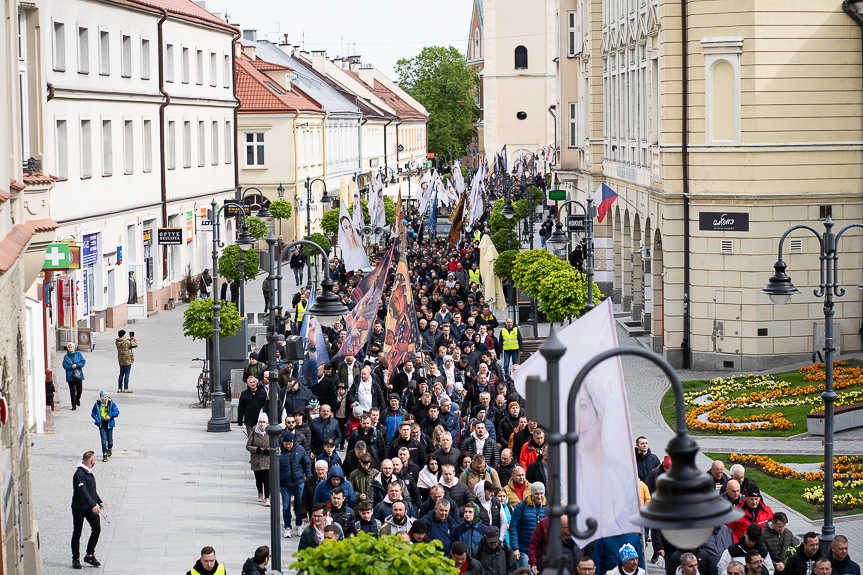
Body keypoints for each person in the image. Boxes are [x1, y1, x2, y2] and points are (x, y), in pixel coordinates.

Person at [71, 451, 104, 569]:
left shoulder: (88, 472)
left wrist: (99, 500)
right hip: (79, 507)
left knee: (96, 528)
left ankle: (89, 555)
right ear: (91, 461)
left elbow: (91, 490)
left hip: (90, 506)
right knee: (77, 532)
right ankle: (76, 559)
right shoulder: (79, 474)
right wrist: (93, 505)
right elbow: (83, 491)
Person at [279, 431, 310, 538]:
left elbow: (306, 464)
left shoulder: (300, 449)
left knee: (300, 504)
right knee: (286, 506)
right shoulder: (279, 451)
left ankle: (299, 524)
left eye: (290, 444)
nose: (288, 446)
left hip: (299, 481)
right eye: (286, 444)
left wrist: (309, 478)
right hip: (285, 483)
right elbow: (275, 467)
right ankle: (287, 526)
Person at [509, 483, 546, 569]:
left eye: (541, 493)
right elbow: (513, 527)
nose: (539, 496)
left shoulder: (549, 507)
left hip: (544, 551)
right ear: (532, 493)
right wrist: (515, 548)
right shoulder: (521, 506)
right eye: (537, 493)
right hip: (525, 550)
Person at [246, 412, 271, 506]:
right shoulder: (253, 433)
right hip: (256, 460)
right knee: (259, 479)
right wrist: (256, 449)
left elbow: (275, 446)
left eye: (264, 422)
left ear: (267, 423)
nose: (262, 424)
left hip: (267, 460)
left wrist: (268, 450)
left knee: (267, 480)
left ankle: (267, 497)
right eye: (260, 422)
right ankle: (260, 492)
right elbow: (248, 446)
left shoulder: (270, 433)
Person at [90, 390, 119, 463]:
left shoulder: (111, 403)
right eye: (104, 397)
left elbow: (116, 412)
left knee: (110, 440)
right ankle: (105, 454)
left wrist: (110, 415)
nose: (106, 398)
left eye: (106, 396)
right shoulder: (97, 404)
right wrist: (96, 418)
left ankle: (110, 448)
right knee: (103, 440)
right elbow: (93, 413)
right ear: (101, 398)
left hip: (109, 423)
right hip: (102, 423)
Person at [63, 342, 86, 410]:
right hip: (70, 376)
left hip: (78, 375)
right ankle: (73, 405)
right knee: (72, 391)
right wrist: (71, 366)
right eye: (69, 347)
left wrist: (77, 365)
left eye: (71, 347)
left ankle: (77, 399)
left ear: (74, 347)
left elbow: (83, 362)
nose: (70, 348)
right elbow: (65, 366)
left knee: (79, 390)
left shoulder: (78, 354)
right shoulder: (66, 357)